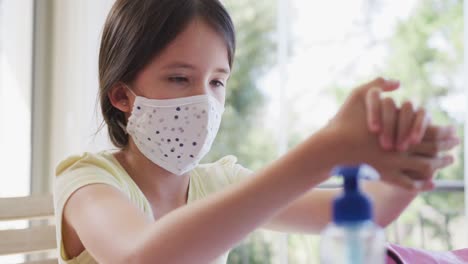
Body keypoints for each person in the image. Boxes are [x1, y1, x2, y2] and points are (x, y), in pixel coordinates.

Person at [53, 0, 460, 263]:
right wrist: (328, 149)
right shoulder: (87, 181)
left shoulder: (221, 182)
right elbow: (142, 259)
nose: (204, 102)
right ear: (122, 96)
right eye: (179, 78)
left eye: (216, 82)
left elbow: (357, 212)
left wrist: (411, 164)